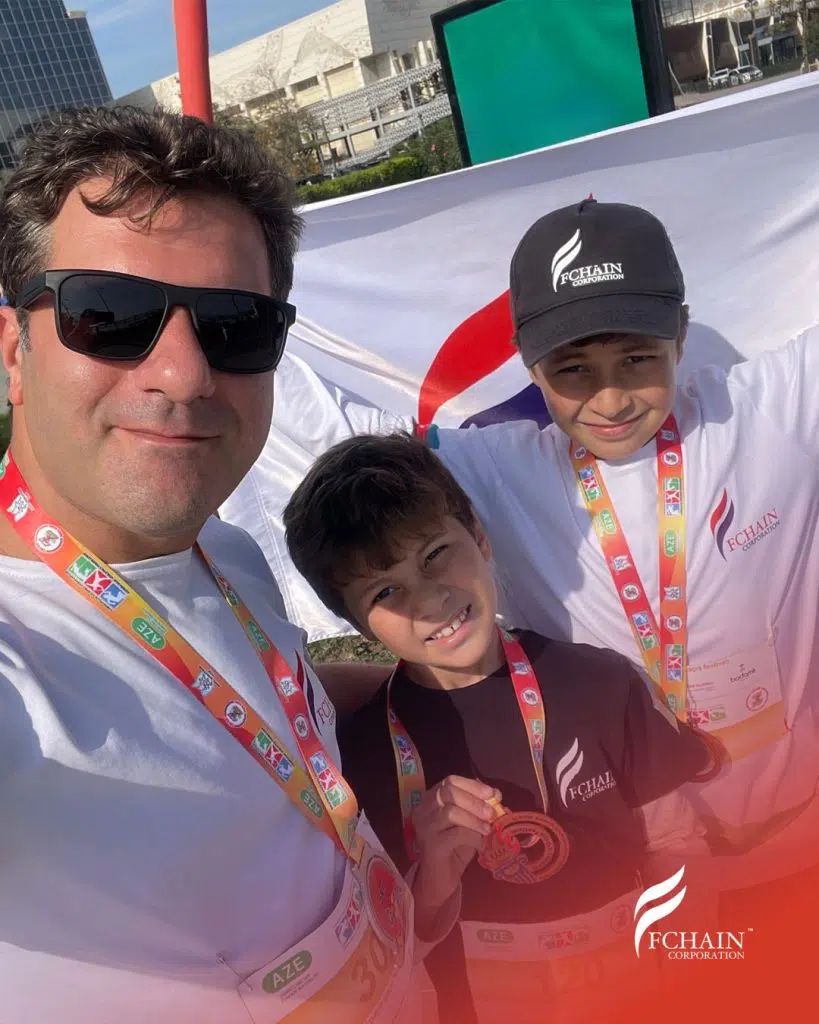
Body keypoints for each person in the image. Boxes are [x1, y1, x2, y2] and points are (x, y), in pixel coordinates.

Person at [228, 196, 819, 929]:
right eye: (572, 369)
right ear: (530, 366)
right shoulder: (492, 469)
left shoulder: (772, 408)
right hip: (658, 875)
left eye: (637, 359)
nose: (609, 397)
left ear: (682, 333)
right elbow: (337, 454)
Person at [0, 105, 461, 1024]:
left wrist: (429, 677)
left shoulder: (226, 551)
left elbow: (252, 715)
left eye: (234, 327)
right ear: (13, 349)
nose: (183, 374)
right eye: (110, 314)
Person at [283, 430, 716, 1023]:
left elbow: (678, 847)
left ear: (480, 536)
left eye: (435, 553)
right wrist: (434, 881)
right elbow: (389, 952)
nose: (429, 601)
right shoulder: (359, 759)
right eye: (386, 591)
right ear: (359, 626)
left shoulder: (602, 683)